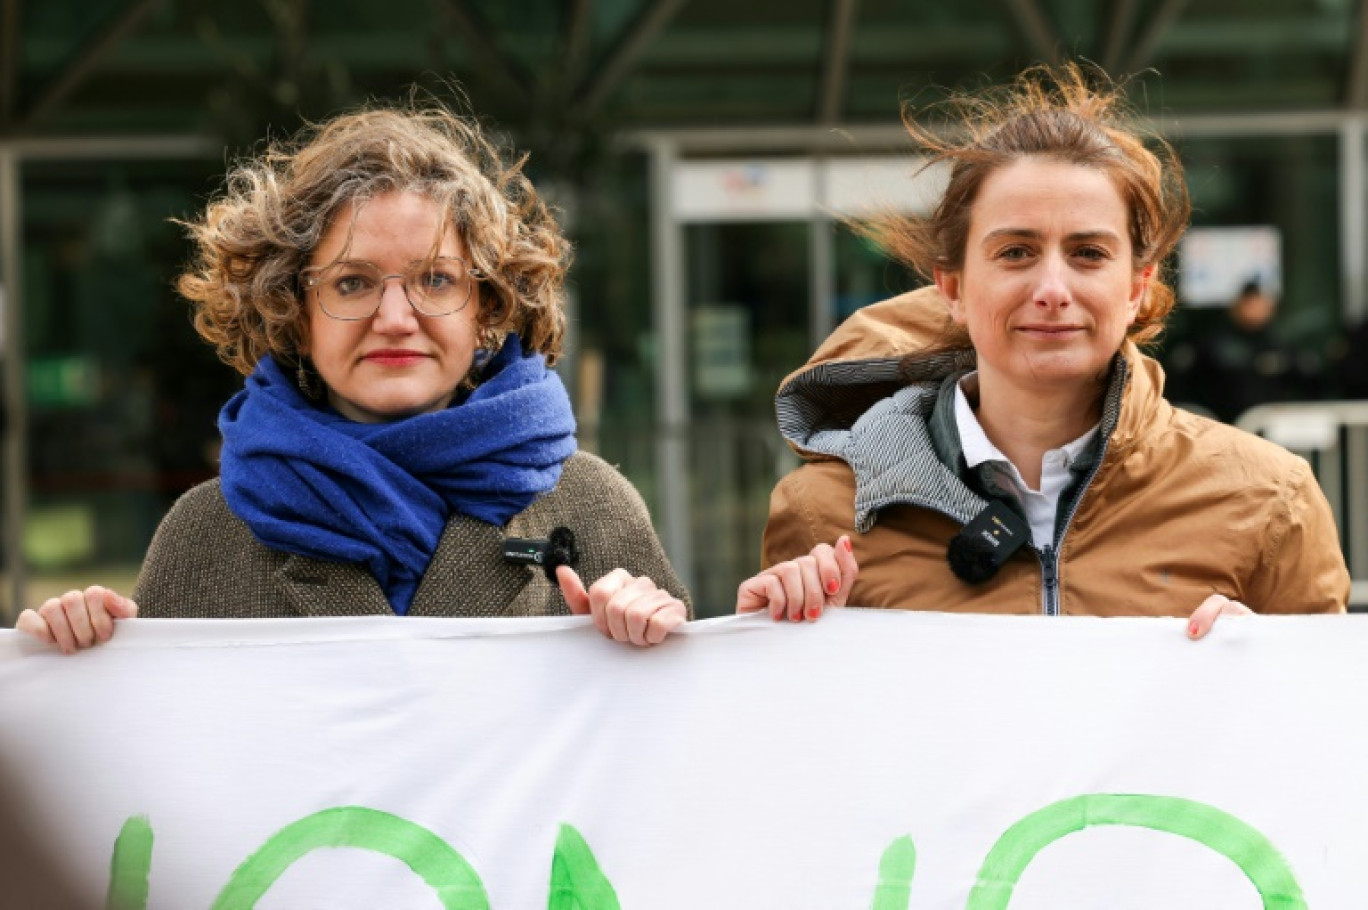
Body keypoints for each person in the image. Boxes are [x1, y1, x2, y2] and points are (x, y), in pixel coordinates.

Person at [18, 102, 688, 650]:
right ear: (293, 309)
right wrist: (71, 667)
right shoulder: (204, 536)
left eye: (435, 279)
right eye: (352, 282)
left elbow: (673, 763)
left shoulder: (593, 507)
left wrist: (658, 643)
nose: (395, 317)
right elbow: (152, 774)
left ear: (488, 305)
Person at [736, 64, 1349, 634]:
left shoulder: (1268, 499)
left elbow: (1331, 735)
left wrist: (1265, 673)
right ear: (952, 286)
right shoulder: (823, 513)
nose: (1052, 290)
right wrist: (772, 646)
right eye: (1015, 252)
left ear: (1138, 287)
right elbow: (794, 740)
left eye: (1088, 253)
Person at [1165, 278, 1318, 423]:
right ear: (1238, 305)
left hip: (1268, 428)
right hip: (1225, 424)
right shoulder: (1213, 341)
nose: (1256, 309)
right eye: (1251, 303)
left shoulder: (1278, 341)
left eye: (1262, 303)